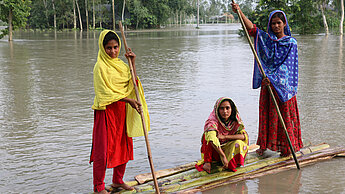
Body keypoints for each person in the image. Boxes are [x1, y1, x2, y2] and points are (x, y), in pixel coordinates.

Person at [231, 3, 303, 156]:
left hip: (283, 88)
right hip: (268, 85)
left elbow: (289, 68)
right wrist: (240, 12)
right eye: (273, 23)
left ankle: (287, 149)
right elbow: (253, 30)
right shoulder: (268, 41)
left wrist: (273, 79)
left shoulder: (291, 43)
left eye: (279, 23)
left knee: (284, 117)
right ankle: (264, 146)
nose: (276, 26)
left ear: (284, 24)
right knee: (267, 115)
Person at [89, 30, 150, 194]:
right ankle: (98, 187)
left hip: (121, 111)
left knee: (124, 145)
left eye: (116, 47)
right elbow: (104, 93)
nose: (113, 51)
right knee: (103, 150)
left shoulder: (122, 65)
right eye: (109, 48)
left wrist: (133, 63)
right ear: (103, 48)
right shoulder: (99, 67)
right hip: (106, 111)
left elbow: (133, 83)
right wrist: (128, 101)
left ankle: (117, 180)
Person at [196, 97, 248, 173]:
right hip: (215, 151)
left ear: (232, 109)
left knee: (239, 143)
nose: (225, 111)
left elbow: (244, 136)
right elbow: (212, 140)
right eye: (222, 108)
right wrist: (223, 156)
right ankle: (208, 162)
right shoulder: (212, 121)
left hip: (226, 148)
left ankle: (231, 163)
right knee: (207, 136)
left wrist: (225, 137)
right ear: (217, 110)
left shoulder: (235, 120)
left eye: (227, 108)